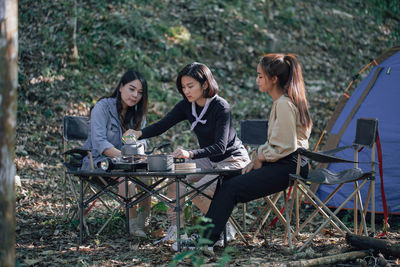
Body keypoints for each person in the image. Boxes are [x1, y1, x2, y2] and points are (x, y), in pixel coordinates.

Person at [177, 53, 313, 251]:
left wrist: (260, 156)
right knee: (225, 178)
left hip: (289, 166)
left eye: (260, 76)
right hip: (282, 162)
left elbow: (286, 145)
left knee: (230, 189)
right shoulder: (282, 101)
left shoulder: (284, 104)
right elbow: (278, 144)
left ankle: (206, 241)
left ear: (273, 79)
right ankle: (214, 235)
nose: (256, 80)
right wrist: (260, 156)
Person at [131, 62, 250, 244]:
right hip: (209, 160)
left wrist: (190, 153)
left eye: (190, 86)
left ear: (204, 84)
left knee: (198, 192)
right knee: (175, 173)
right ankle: (175, 229)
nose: (186, 91)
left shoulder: (220, 107)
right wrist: (139, 133)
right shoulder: (187, 105)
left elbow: (221, 147)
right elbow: (163, 124)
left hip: (233, 159)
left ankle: (222, 227)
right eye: (183, 87)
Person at [81, 69, 151, 237]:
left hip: (127, 162)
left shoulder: (137, 114)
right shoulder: (102, 107)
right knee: (124, 176)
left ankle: (144, 221)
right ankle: (133, 225)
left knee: (147, 175)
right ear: (121, 87)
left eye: (140, 93)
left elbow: (142, 141)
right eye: (131, 89)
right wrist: (125, 157)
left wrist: (137, 151)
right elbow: (100, 143)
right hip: (97, 161)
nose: (135, 95)